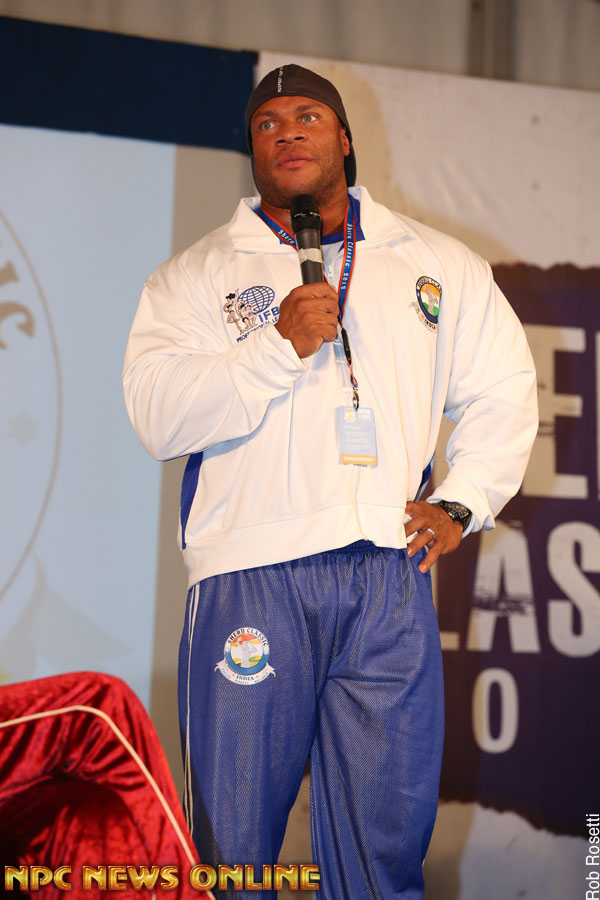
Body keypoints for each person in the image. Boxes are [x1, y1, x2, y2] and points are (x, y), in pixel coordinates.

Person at [123, 64, 538, 900]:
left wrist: (463, 501)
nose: (288, 132)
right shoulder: (195, 275)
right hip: (252, 578)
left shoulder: (434, 261)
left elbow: (503, 387)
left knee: (381, 856)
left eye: (308, 116)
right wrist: (275, 345)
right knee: (235, 857)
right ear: (252, 150)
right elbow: (158, 417)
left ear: (344, 138)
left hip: (388, 574)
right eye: (267, 122)